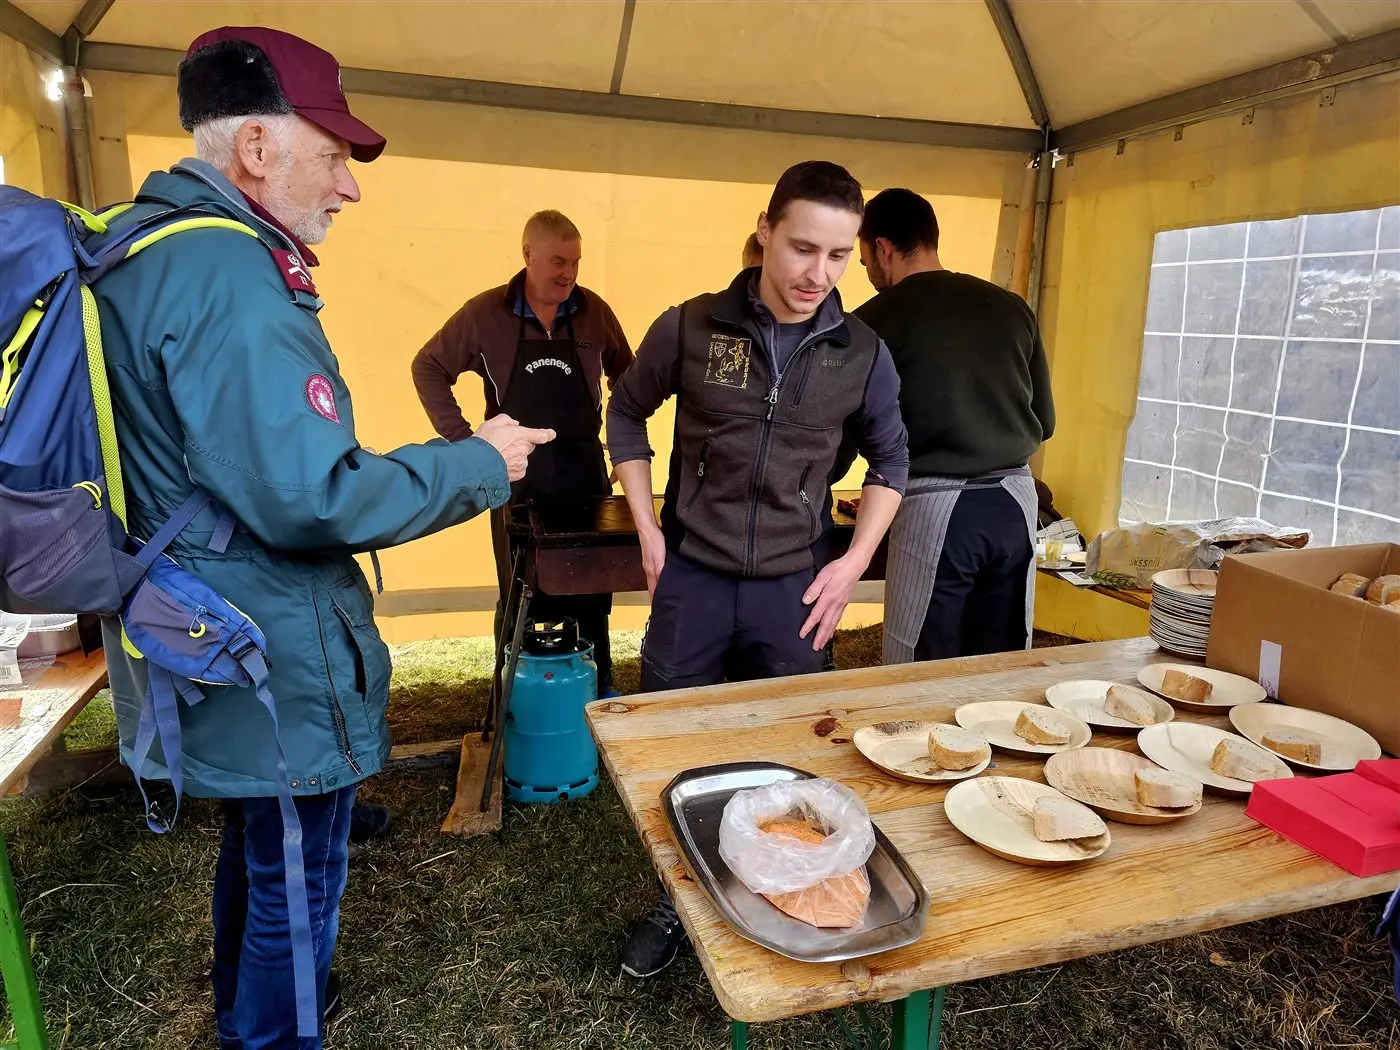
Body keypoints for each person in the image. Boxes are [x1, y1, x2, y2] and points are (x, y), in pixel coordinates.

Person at [92, 27, 552, 1049]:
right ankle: (273, 1032)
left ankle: (242, 1011)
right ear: (256, 148)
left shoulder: (147, 249)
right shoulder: (230, 279)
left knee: (263, 842)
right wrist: (481, 462)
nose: (348, 187)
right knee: (298, 870)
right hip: (262, 636)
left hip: (197, 621)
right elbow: (314, 497)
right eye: (333, 154)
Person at [608, 161, 909, 977]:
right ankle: (675, 904)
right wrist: (646, 525)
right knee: (676, 743)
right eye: (803, 248)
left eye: (841, 256)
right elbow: (628, 412)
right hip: (693, 579)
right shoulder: (692, 327)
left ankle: (783, 889)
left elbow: (891, 463)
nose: (819, 274)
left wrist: (851, 564)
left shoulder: (862, 352)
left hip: (793, 585)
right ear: (765, 230)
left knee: (784, 753)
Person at [413, 211, 633, 695]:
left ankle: (599, 691)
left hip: (584, 475)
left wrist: (625, 446)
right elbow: (428, 366)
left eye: (575, 262)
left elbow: (630, 381)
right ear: (527, 254)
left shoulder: (595, 311)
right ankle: (516, 694)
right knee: (521, 592)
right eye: (557, 261)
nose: (568, 273)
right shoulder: (484, 313)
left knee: (593, 592)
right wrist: (468, 445)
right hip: (517, 480)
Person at [855, 188, 1055, 663]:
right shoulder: (1012, 308)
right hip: (1015, 506)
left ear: (883, 249)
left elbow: (846, 431)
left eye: (864, 263)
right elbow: (1044, 421)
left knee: (918, 669)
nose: (869, 276)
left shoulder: (872, 322)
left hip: (936, 507)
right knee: (1000, 666)